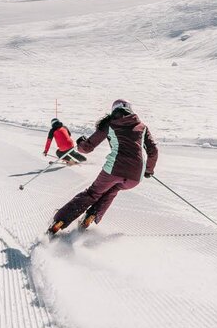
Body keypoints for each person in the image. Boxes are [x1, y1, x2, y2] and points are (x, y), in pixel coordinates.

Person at [47, 99, 158, 234]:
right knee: (112, 191)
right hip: (135, 176)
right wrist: (148, 170)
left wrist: (81, 143)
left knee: (92, 193)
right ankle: (91, 215)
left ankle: (61, 220)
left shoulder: (110, 124)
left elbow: (87, 148)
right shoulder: (142, 126)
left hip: (114, 169)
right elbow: (153, 151)